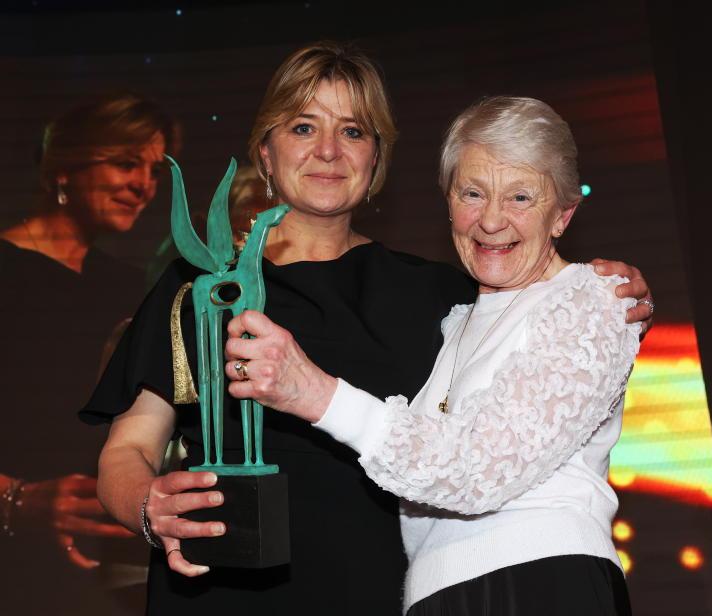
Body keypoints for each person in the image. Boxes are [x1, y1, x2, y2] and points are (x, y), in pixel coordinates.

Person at [81, 42, 652, 615]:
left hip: (383, 592)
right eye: (303, 127)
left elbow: (535, 345)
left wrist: (600, 290)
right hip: (217, 589)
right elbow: (127, 450)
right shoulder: (203, 286)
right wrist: (148, 508)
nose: (328, 150)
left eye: (352, 131)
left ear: (376, 157)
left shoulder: (445, 295)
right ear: (266, 152)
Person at [224, 96, 641, 615]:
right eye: (473, 193)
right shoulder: (451, 320)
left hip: (541, 582)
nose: (491, 220)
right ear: (447, 200)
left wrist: (313, 392)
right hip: (435, 596)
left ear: (562, 214)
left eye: (520, 197)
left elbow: (476, 471)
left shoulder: (593, 299)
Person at [0, 92, 176, 615]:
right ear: (63, 166)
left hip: (114, 563)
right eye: (125, 163)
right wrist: (16, 501)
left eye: (154, 171)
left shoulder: (131, 285)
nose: (144, 185)